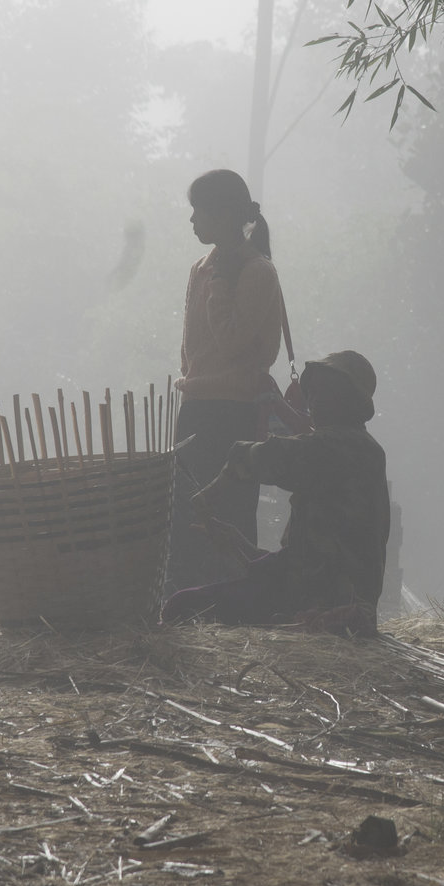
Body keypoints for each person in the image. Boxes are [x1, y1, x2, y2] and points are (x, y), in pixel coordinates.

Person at [162, 350, 388, 636]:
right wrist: (241, 547)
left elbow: (266, 456)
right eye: (313, 393)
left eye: (326, 393)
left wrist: (214, 490)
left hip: (325, 606)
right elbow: (302, 562)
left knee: (181, 608)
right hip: (314, 594)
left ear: (349, 402)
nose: (314, 401)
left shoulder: (343, 447)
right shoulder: (364, 451)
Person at [166, 169, 290, 595]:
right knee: (186, 513)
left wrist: (221, 282)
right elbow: (192, 350)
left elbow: (235, 343)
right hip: (197, 407)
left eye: (198, 211)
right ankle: (189, 602)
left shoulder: (255, 272)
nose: (192, 221)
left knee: (228, 513)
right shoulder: (202, 267)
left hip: (232, 412)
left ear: (222, 214)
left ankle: (234, 603)